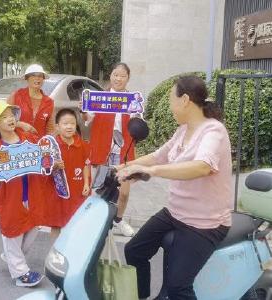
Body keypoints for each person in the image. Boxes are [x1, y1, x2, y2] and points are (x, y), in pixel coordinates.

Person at [117, 75, 233, 299]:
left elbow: (202, 167)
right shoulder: (183, 130)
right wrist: (123, 166)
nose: (170, 106)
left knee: (178, 286)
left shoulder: (213, 131)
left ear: (185, 100)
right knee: (134, 251)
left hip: (204, 222)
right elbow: (159, 155)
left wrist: (153, 171)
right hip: (175, 213)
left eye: (171, 100)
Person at [0, 100, 44, 287]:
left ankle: (12, 256)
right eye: (3, 117)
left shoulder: (28, 139)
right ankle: (20, 274)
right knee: (13, 232)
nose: (9, 119)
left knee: (33, 228)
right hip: (11, 199)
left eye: (11, 115)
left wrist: (51, 162)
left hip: (32, 195)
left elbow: (43, 155)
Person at [81, 62, 136, 237]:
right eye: (115, 75)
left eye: (122, 76)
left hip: (124, 151)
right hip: (103, 149)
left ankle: (118, 219)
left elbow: (138, 125)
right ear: (110, 76)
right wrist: (83, 109)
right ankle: (95, 220)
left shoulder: (133, 100)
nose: (118, 79)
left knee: (124, 192)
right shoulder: (100, 98)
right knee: (99, 189)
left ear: (128, 78)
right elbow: (88, 119)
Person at [47, 108, 91, 238]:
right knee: (56, 224)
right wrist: (53, 165)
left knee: (75, 223)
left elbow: (86, 165)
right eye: (65, 124)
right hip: (58, 193)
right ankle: (55, 256)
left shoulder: (83, 145)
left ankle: (71, 254)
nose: (69, 127)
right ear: (57, 126)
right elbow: (43, 168)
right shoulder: (51, 146)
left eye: (72, 123)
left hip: (77, 191)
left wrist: (86, 184)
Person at [7, 64, 54, 137]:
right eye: (33, 75)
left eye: (40, 76)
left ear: (43, 79)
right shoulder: (16, 95)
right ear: (27, 78)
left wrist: (49, 143)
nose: (37, 78)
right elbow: (4, 119)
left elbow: (50, 129)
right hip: (17, 144)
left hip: (38, 145)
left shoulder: (49, 102)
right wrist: (21, 124)